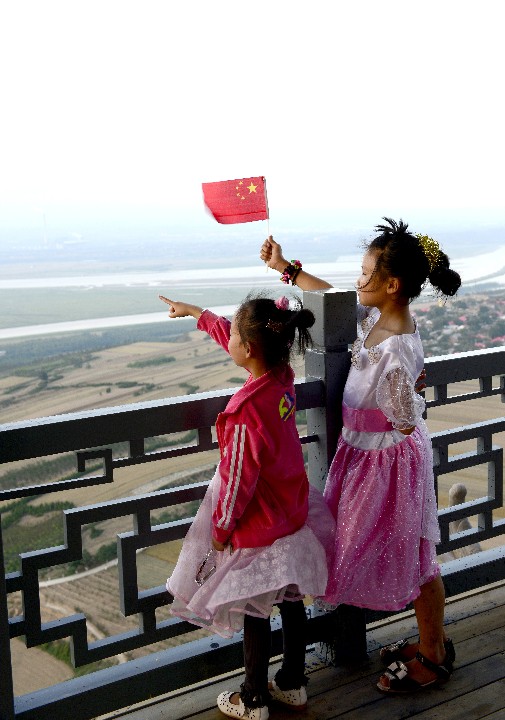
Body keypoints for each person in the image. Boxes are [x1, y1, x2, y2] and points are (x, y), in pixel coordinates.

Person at [260, 218, 462, 694]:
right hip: (365, 457)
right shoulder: (376, 317)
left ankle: (433, 653)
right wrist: (286, 269)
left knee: (417, 552)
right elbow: (332, 296)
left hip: (386, 463)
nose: (358, 279)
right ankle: (430, 641)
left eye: (366, 272)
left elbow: (405, 419)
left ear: (391, 285)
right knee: (395, 548)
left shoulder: (396, 346)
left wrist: (406, 394)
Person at [160, 292, 336, 720]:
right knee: (290, 597)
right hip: (291, 510)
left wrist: (221, 531)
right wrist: (199, 314)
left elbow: (237, 481)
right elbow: (238, 340)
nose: (230, 340)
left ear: (251, 348)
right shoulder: (280, 378)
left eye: (235, 335)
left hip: (259, 524)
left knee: (253, 607)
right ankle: (293, 684)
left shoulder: (245, 412)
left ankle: (253, 697)